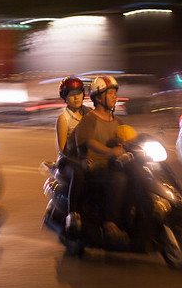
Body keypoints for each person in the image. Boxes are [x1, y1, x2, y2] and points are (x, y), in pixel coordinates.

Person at [75, 75, 129, 246]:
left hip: (114, 165)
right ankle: (109, 223)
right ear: (98, 97)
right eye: (110, 93)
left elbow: (127, 137)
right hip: (96, 167)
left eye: (115, 93)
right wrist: (110, 151)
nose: (115, 96)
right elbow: (88, 141)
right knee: (119, 179)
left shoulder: (117, 120)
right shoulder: (90, 119)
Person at [54, 76, 90, 215]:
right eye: (71, 95)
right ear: (65, 97)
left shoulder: (89, 113)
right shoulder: (64, 119)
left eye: (79, 93)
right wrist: (79, 161)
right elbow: (62, 150)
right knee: (79, 173)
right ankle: (73, 213)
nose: (76, 98)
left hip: (86, 156)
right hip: (68, 161)